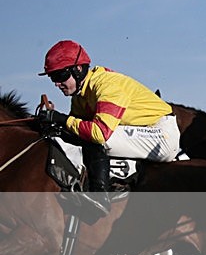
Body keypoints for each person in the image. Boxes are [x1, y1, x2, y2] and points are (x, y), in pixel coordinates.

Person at [37, 40, 180, 216]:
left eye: (60, 76)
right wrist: (54, 127)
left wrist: (61, 119)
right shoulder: (80, 97)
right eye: (53, 78)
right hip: (142, 131)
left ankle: (99, 197)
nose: (57, 84)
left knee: (96, 137)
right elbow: (75, 130)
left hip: (162, 135)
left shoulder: (107, 85)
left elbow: (99, 134)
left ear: (78, 69)